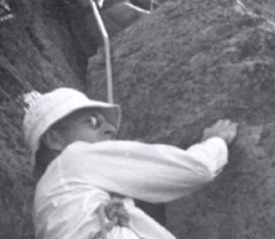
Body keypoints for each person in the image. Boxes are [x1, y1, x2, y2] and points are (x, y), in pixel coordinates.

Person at [23, 88, 238, 239]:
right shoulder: (73, 158)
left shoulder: (52, 197)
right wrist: (216, 141)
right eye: (93, 122)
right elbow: (195, 168)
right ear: (54, 139)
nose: (111, 129)